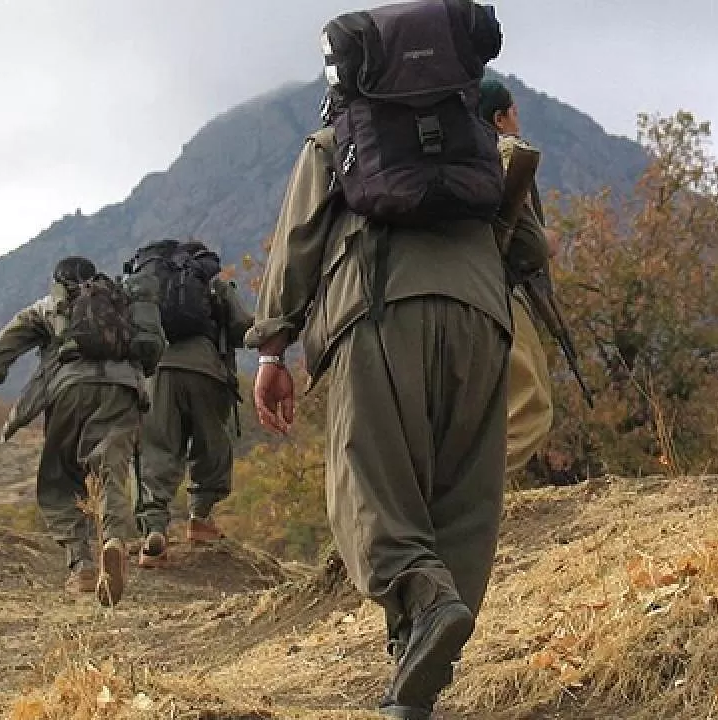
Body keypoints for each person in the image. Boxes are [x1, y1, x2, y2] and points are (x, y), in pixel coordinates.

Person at [249, 2, 510, 713]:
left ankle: (422, 606)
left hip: (379, 307)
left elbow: (298, 240)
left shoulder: (338, 137)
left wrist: (272, 348)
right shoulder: (478, 136)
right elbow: (520, 233)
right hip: (484, 319)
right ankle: (416, 679)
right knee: (462, 495)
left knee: (366, 483)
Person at [0, 256, 158, 607]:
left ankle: (82, 564)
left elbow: (4, 347)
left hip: (70, 389)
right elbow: (151, 347)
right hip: (122, 389)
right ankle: (114, 539)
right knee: (111, 469)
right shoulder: (120, 301)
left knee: (60, 478)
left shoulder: (49, 305)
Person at [132, 242, 254, 567]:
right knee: (210, 443)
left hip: (158, 372)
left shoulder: (152, 284)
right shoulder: (210, 280)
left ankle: (153, 532)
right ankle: (200, 518)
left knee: (158, 448)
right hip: (206, 368)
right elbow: (243, 327)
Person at [477, 75, 556, 487]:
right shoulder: (507, 153)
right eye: (513, 112)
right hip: (497, 289)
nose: (517, 119)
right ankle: (470, 498)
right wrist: (546, 241)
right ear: (499, 117)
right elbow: (523, 242)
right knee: (531, 407)